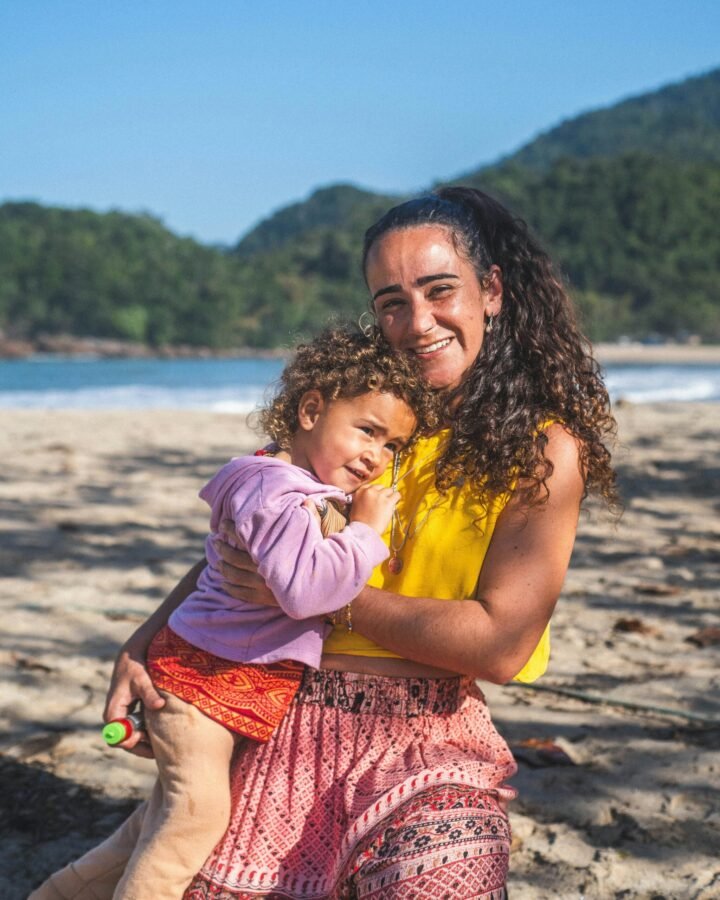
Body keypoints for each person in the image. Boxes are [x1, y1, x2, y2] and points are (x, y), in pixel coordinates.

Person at [31, 187, 617, 900]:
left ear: (490, 291)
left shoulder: (541, 450)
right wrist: (145, 639)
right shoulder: (365, 422)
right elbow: (252, 539)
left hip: (423, 737)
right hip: (268, 718)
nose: (418, 321)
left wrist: (317, 592)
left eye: (440, 292)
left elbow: (499, 644)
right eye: (391, 303)